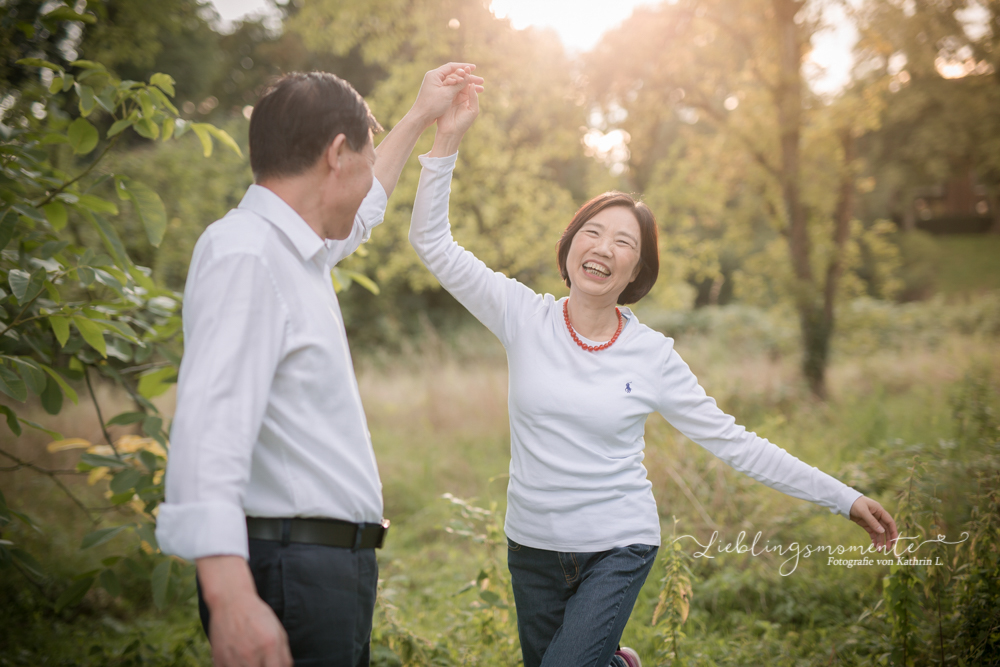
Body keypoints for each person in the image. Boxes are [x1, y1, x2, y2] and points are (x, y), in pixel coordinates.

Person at [408, 82, 899, 667]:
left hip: (618, 542)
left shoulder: (653, 355)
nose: (603, 247)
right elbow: (431, 242)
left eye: (623, 242)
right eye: (592, 231)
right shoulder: (522, 315)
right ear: (570, 246)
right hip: (532, 545)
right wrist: (447, 139)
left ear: (635, 270)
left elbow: (735, 443)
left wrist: (842, 497)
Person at [155, 64, 484, 667]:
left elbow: (364, 208)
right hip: (290, 572)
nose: (366, 180)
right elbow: (209, 432)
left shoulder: (293, 251)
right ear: (337, 154)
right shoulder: (246, 255)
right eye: (362, 156)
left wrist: (418, 118)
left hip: (320, 571)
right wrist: (229, 598)